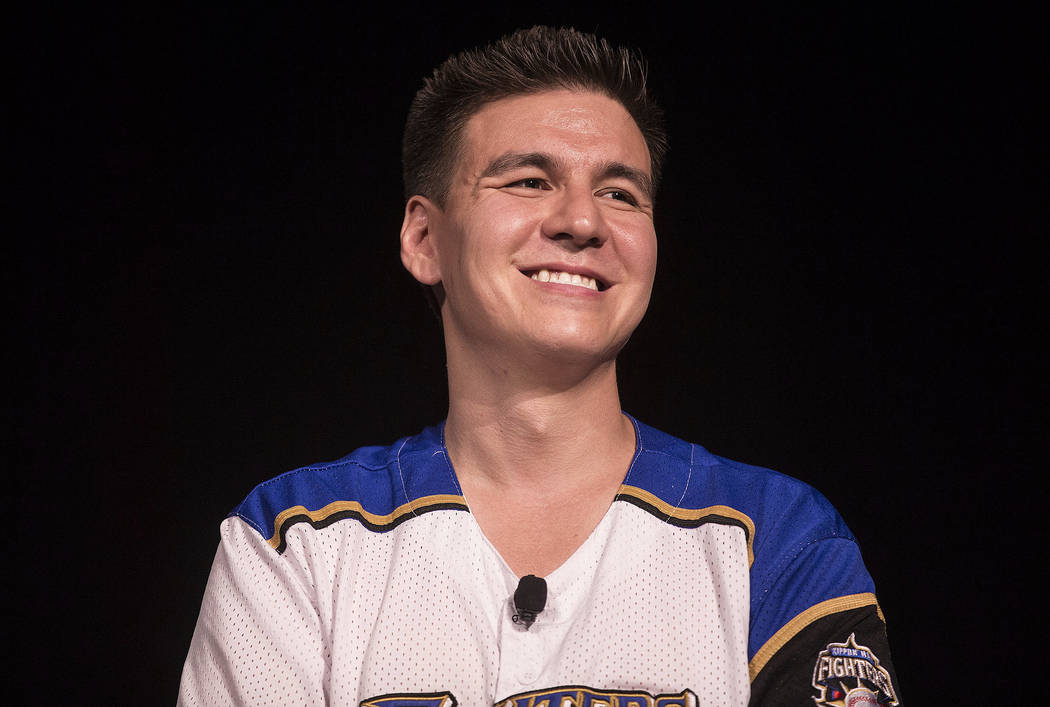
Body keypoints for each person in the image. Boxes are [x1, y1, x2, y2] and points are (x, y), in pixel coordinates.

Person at [178, 26, 900, 706]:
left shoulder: (777, 539)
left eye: (620, 194)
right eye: (528, 181)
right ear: (424, 238)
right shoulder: (292, 541)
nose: (582, 221)